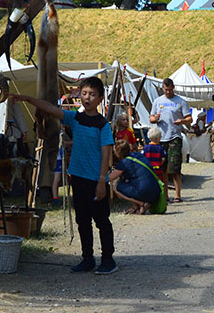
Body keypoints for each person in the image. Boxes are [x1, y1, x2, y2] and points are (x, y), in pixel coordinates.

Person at [13, 76, 117, 274]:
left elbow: (106, 153)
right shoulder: (74, 118)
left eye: (92, 95)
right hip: (77, 178)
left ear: (100, 99)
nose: (87, 98)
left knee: (102, 220)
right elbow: (51, 108)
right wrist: (28, 98)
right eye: (84, 93)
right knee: (82, 220)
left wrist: (102, 180)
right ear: (79, 96)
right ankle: (87, 258)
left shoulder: (103, 125)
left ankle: (108, 259)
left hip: (96, 180)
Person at [149, 78, 191, 204]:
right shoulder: (157, 101)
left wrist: (182, 121)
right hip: (161, 138)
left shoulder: (180, 102)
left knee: (175, 167)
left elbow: (189, 119)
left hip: (175, 137)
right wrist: (154, 118)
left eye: (170, 90)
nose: (168, 92)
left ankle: (177, 195)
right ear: (163, 88)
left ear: (173, 88)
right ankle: (165, 195)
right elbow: (151, 118)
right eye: (166, 90)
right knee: (162, 168)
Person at [109, 139, 161, 214]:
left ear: (118, 152)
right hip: (156, 190)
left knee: (116, 187)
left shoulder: (124, 163)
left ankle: (141, 203)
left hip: (144, 191)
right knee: (130, 181)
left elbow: (110, 178)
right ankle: (135, 207)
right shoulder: (138, 155)